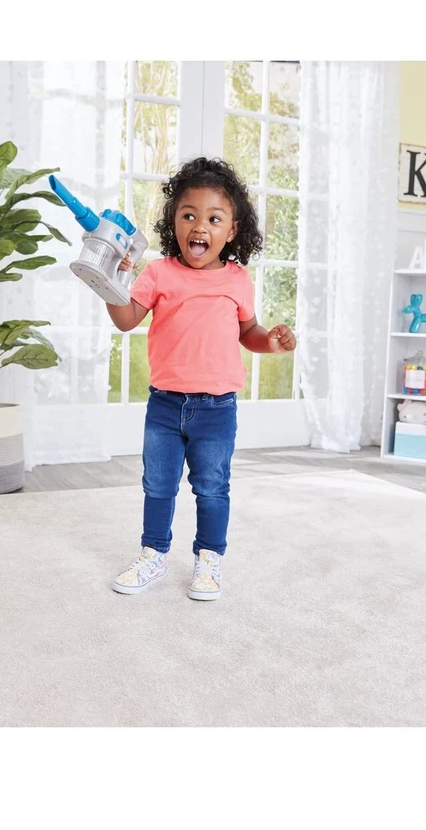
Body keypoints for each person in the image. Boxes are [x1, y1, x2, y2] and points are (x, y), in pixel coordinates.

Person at [106, 156, 296, 601]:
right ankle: (154, 554)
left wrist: (271, 341)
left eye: (214, 219)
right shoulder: (158, 273)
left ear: (232, 231)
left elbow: (248, 331)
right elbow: (126, 320)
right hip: (165, 405)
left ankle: (209, 560)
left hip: (217, 408)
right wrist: (112, 281)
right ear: (173, 221)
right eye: (188, 215)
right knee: (158, 484)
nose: (199, 227)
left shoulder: (238, 280)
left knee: (212, 487)